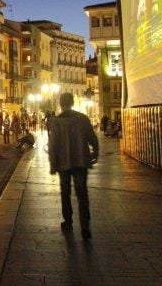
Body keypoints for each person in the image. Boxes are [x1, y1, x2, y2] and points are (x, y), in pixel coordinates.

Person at [48, 92, 99, 240]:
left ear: (60, 104)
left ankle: (68, 222)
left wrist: (53, 164)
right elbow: (92, 138)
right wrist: (95, 152)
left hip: (63, 164)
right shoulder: (83, 119)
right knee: (82, 194)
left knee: (65, 193)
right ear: (72, 103)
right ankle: (85, 227)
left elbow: (53, 146)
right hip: (81, 161)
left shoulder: (56, 122)